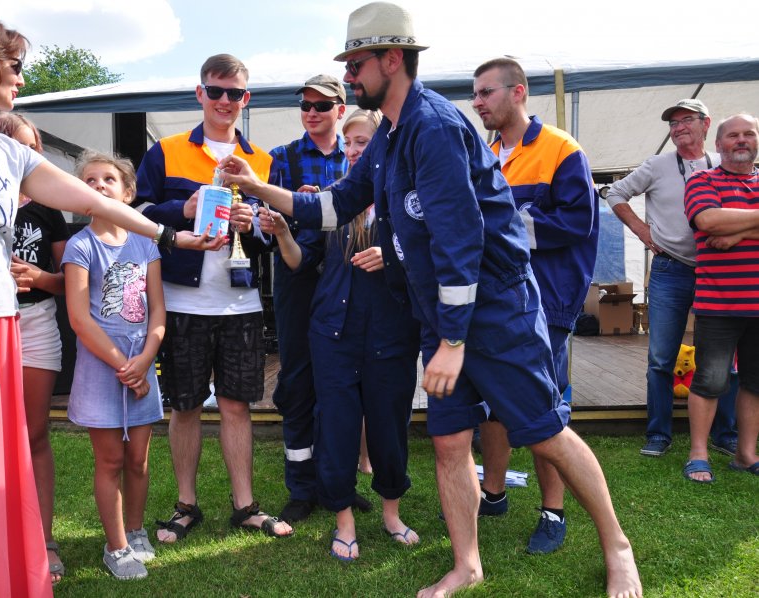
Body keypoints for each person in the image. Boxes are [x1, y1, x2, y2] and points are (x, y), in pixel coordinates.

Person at [220, 3, 642, 597]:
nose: (349, 76)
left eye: (358, 63)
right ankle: (467, 565)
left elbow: (461, 240)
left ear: (393, 60)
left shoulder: (435, 127)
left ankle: (617, 546)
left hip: (493, 310)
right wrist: (257, 186)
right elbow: (340, 205)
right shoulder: (391, 133)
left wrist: (451, 341)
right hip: (442, 315)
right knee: (448, 442)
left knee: (545, 430)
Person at [0, 16, 220, 597]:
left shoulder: (9, 151)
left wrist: (169, 236)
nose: (22, 80)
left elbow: (88, 200)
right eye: (17, 66)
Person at [133, 53, 292, 543]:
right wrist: (182, 207)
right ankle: (186, 505)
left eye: (235, 93)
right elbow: (137, 213)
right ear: (200, 94)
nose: (225, 101)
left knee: (236, 406)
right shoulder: (167, 151)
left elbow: (273, 231)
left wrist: (256, 226)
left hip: (240, 303)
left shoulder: (262, 160)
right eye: (216, 91)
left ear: (247, 99)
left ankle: (245, 506)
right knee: (183, 407)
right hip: (182, 301)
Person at [261, 108, 420, 560]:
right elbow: (298, 262)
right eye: (348, 143)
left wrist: (390, 254)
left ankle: (391, 513)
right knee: (337, 427)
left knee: (390, 426)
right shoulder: (331, 200)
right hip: (332, 333)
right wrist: (281, 231)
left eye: (363, 143)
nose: (353, 151)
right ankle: (343, 520)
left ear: (383, 146)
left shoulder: (405, 200)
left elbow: (431, 254)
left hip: (391, 333)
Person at [471, 57, 598, 554]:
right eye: (475, 94)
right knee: (493, 402)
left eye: (485, 93)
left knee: (544, 411)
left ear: (517, 92)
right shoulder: (489, 151)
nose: (477, 102)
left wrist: (502, 227)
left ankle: (553, 510)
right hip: (499, 300)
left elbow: (579, 222)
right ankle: (495, 493)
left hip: (546, 302)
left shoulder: (562, 149)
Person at [606, 99, 738, 458]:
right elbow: (614, 192)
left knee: (723, 356)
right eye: (673, 123)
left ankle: (726, 433)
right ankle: (659, 434)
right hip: (670, 269)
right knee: (661, 357)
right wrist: (640, 230)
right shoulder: (659, 164)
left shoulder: (721, 163)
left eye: (686, 121)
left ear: (705, 124)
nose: (678, 128)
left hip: (717, 270)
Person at [62, 150, 165, 578]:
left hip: (141, 362)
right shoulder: (79, 246)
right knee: (109, 461)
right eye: (89, 180)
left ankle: (136, 530)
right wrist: (125, 366)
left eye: (108, 179)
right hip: (103, 365)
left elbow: (158, 310)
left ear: (127, 191)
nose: (100, 186)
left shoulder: (146, 243)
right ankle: (116, 546)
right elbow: (79, 317)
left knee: (138, 459)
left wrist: (145, 360)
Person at [267, 74, 353, 524]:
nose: (313, 112)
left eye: (323, 105)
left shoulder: (357, 155)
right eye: (306, 106)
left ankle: (336, 482)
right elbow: (263, 230)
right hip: (296, 280)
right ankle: (300, 487)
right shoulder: (281, 158)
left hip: (347, 278)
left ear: (341, 108)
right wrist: (283, 214)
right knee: (298, 383)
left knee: (340, 385)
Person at [0, 111, 70, 583]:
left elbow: (70, 283)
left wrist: (39, 278)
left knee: (34, 435)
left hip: (35, 323)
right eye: (21, 146)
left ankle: (43, 540)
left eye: (34, 147)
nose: (30, 156)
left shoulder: (46, 205)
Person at [682, 113, 759, 482]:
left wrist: (736, 235)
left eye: (749, 134)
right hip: (719, 302)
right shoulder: (702, 180)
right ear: (719, 143)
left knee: (755, 382)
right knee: (709, 381)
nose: (741, 140)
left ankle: (745, 454)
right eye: (733, 135)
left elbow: (722, 225)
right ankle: (698, 454)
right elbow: (708, 221)